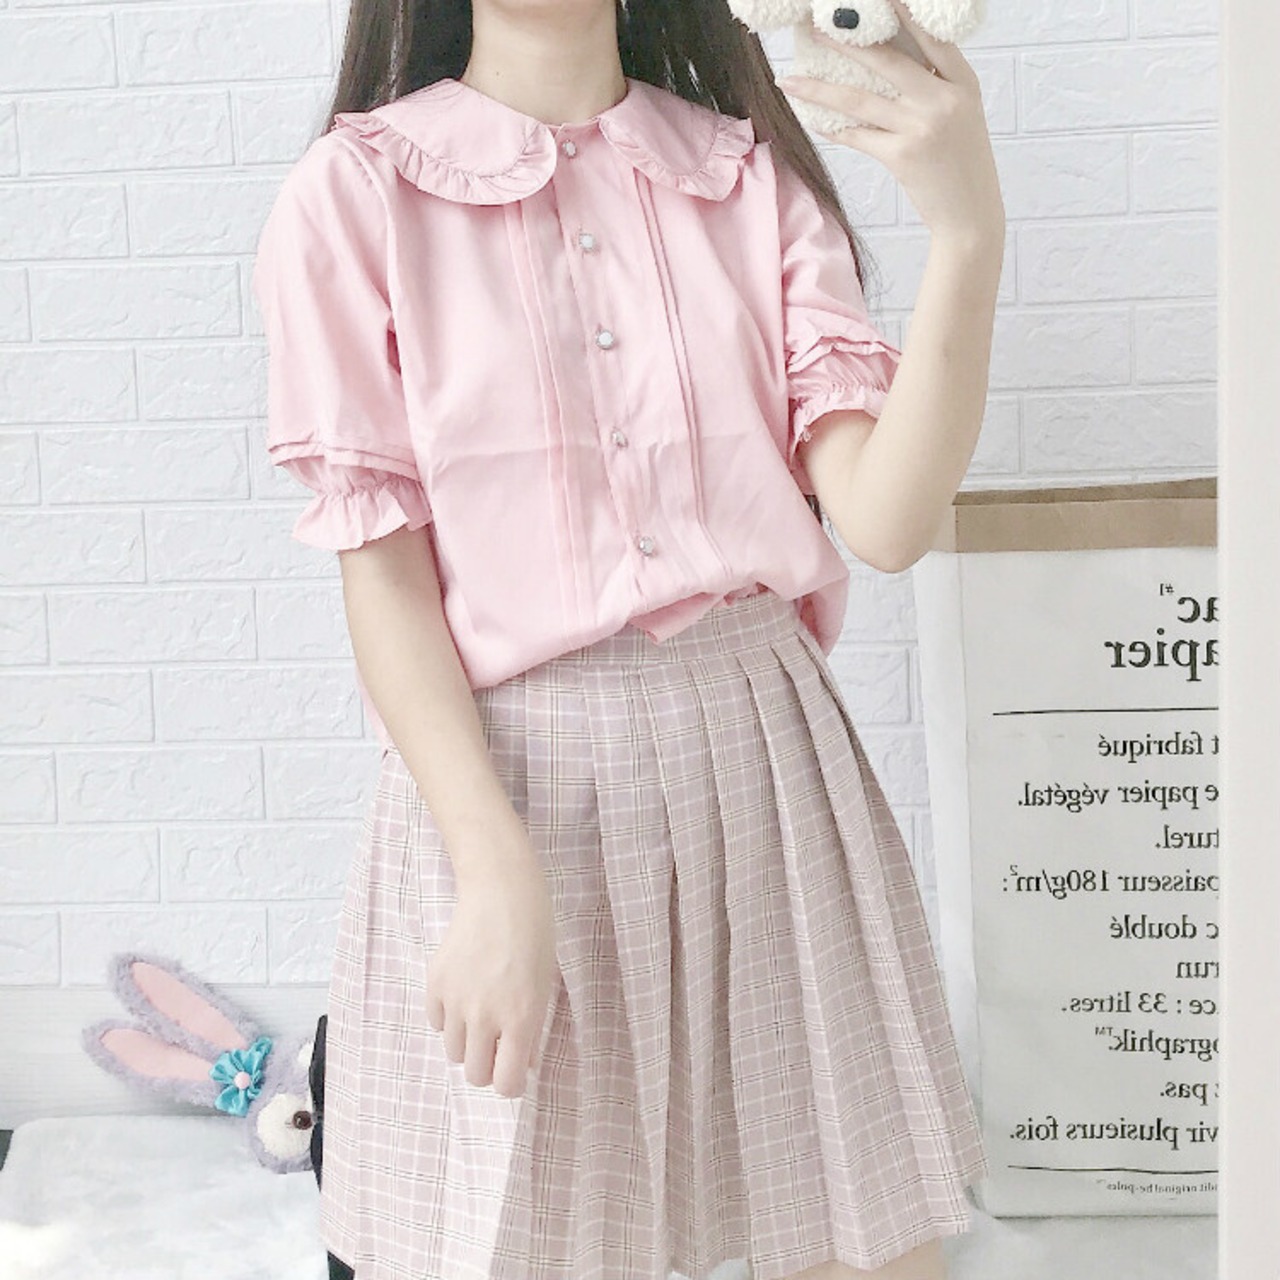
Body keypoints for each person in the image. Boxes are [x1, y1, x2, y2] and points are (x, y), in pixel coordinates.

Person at [252, 1, 1004, 1277]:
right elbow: (384, 584)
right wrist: (492, 868)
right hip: (513, 785)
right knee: (515, 1230)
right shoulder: (356, 194)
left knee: (853, 1235)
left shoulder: (745, 176)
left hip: (767, 769)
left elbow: (884, 519)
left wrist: (966, 229)